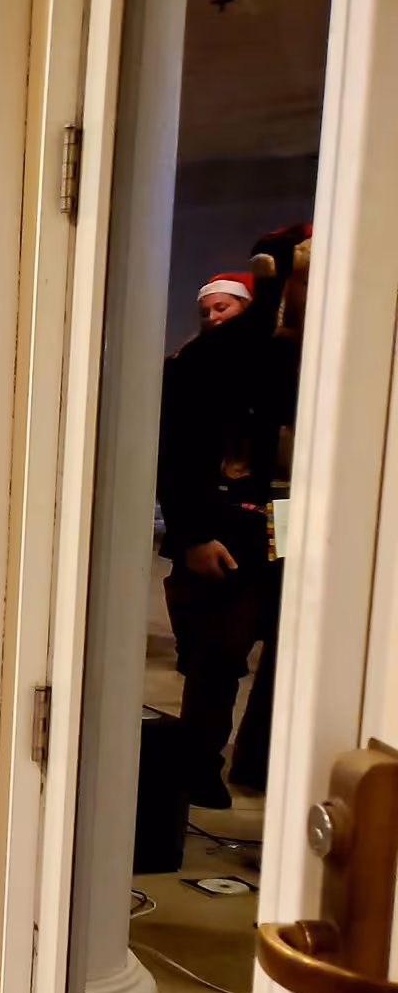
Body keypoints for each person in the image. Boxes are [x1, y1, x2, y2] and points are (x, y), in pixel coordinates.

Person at [157, 228, 307, 808]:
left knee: (289, 647)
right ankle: (199, 766)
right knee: (218, 653)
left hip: (289, 514)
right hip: (226, 521)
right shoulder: (211, 356)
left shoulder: (312, 351)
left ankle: (261, 761)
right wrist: (193, 532)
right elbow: (179, 448)